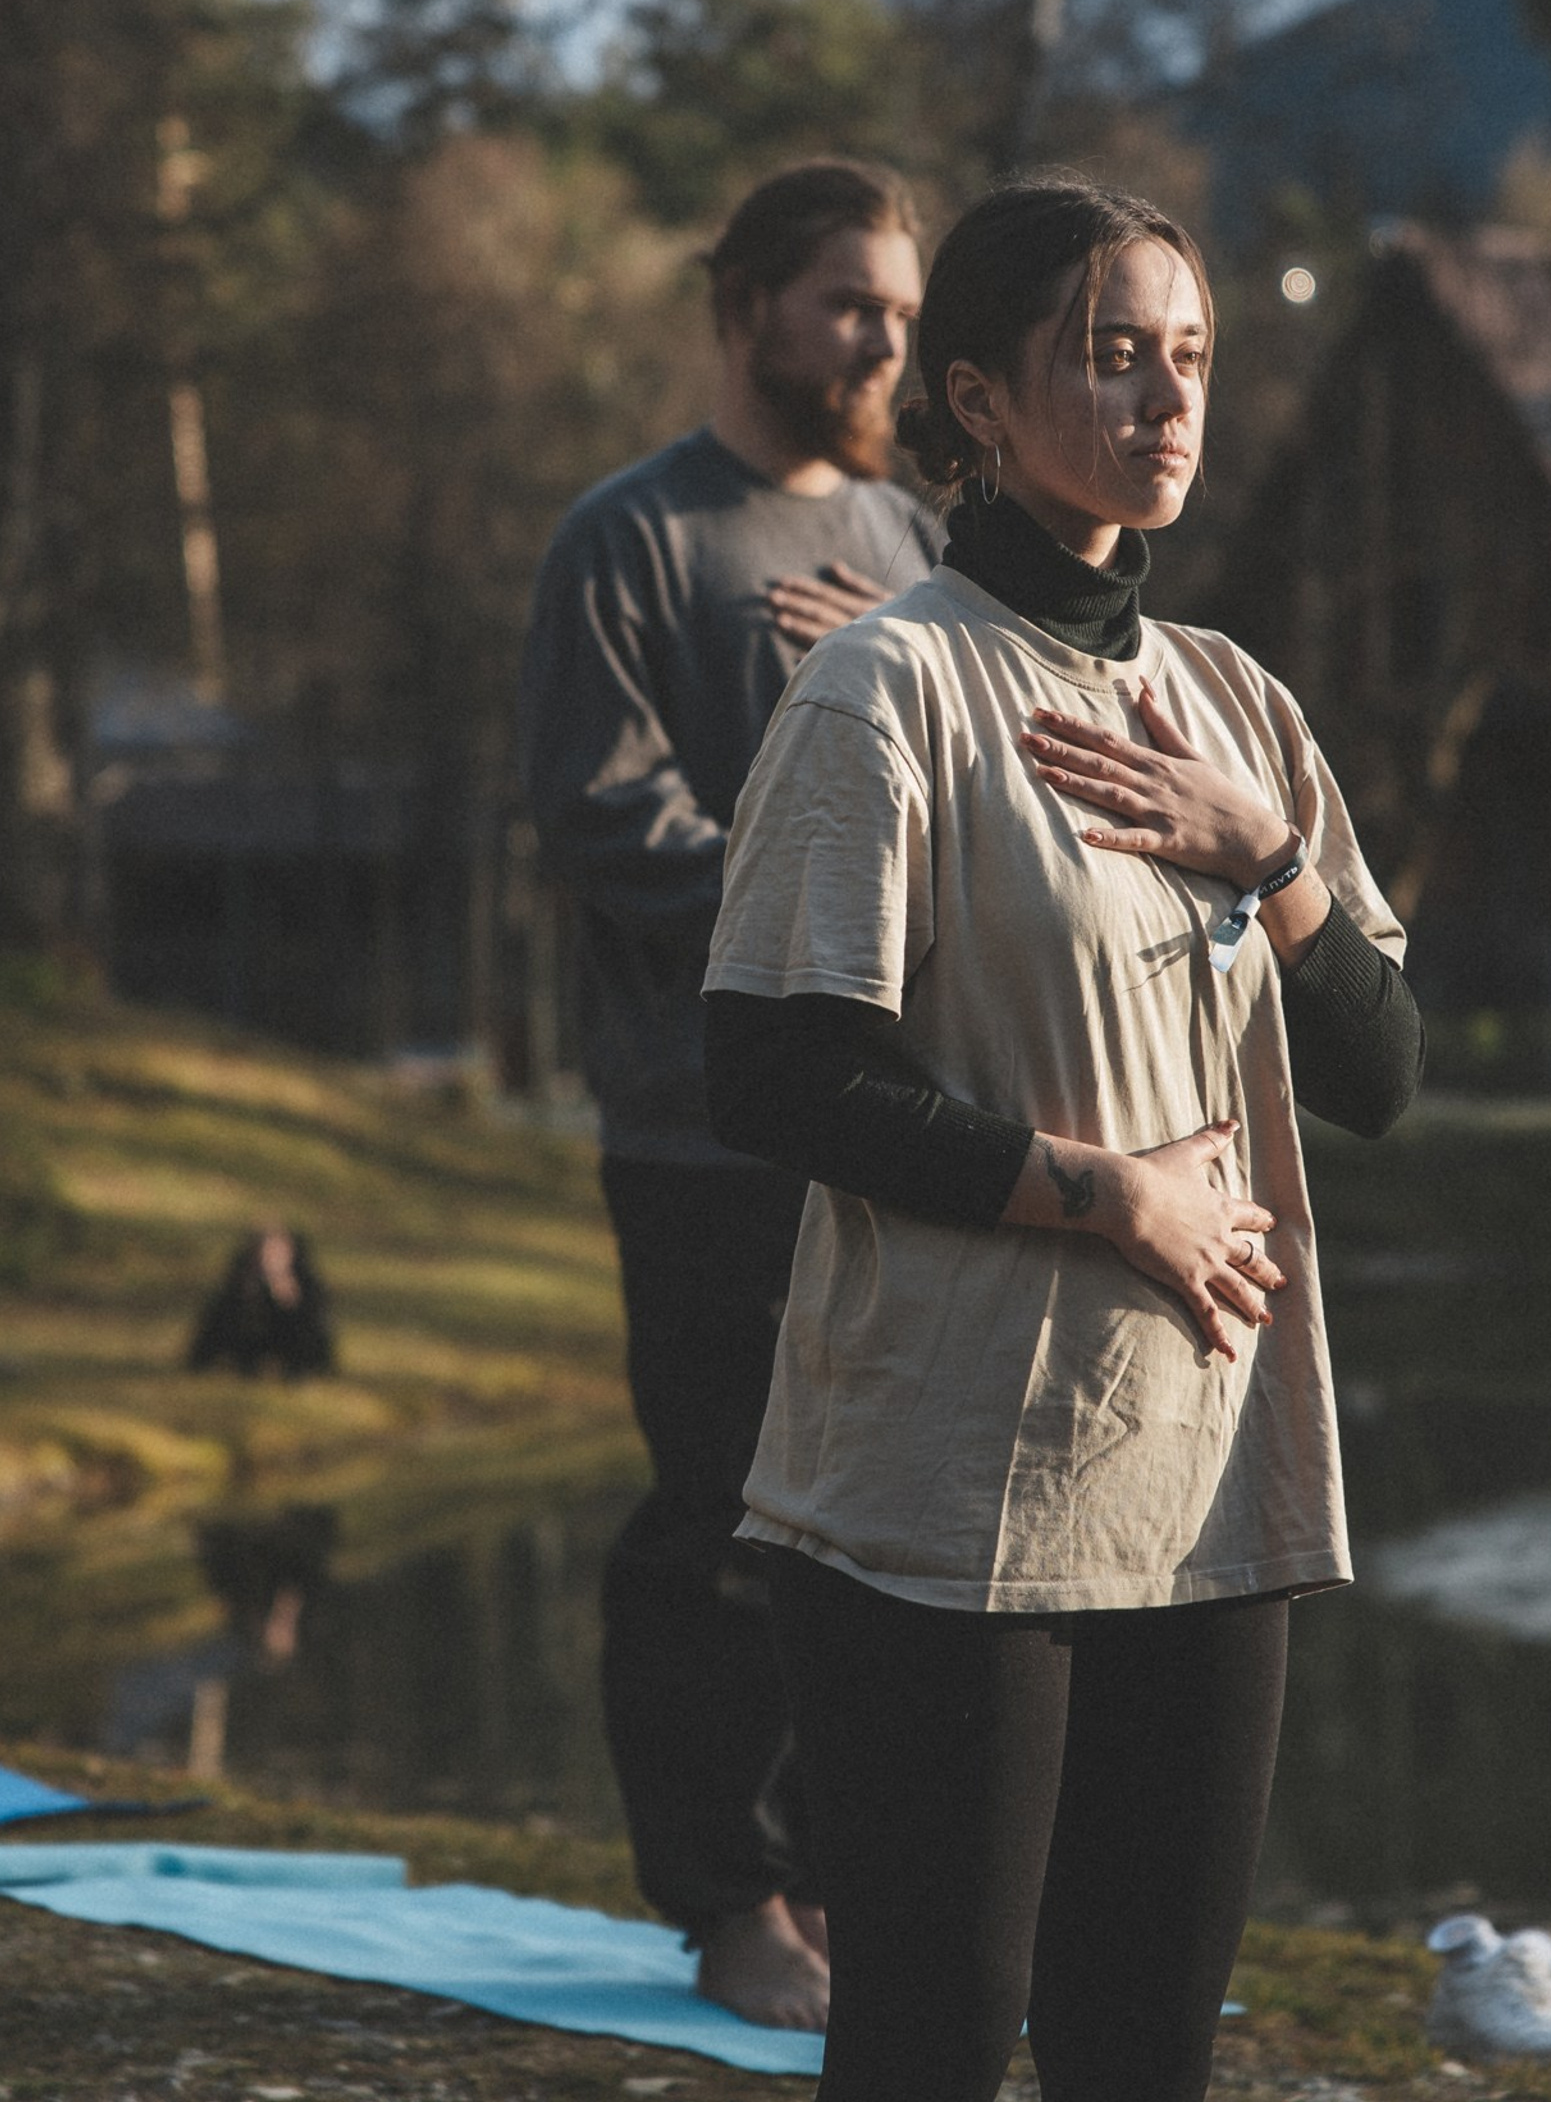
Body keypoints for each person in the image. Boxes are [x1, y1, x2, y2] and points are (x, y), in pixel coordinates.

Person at [700, 177, 1422, 2102]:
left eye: (1188, 359)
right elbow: (776, 1078)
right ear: (979, 406)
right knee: (930, 2041)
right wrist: (1109, 1195)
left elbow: (1381, 1070)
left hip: (1209, 1487)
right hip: (949, 1502)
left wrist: (1264, 853)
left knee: (1141, 2052)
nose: (1164, 402)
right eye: (1111, 357)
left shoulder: (1234, 707)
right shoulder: (893, 686)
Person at [520, 159, 937, 2028]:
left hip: (901, 1120)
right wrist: (826, 902)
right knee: (722, 1524)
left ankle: (858, 1884)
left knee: (878, 1525)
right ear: (749, 302)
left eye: (907, 315)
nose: (883, 341)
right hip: (700, 1124)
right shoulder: (628, 542)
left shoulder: (920, 544)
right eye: (851, 302)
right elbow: (613, 826)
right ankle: (727, 1898)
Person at [185, 1226, 336, 1379]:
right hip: (252, 1339)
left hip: (291, 1339)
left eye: (281, 1252)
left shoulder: (305, 1282)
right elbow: (224, 1318)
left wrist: (291, 1301)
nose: (275, 1257)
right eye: (270, 1251)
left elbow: (317, 1323)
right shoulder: (244, 1279)